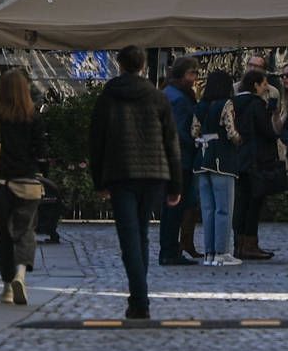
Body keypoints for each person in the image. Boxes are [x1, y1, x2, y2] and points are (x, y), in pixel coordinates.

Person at [88, 46, 178, 320]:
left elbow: (97, 140)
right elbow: (171, 142)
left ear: (120, 65)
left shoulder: (109, 96)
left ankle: (139, 300)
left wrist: (98, 180)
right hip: (153, 174)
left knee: (130, 237)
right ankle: (139, 297)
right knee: (141, 234)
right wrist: (176, 185)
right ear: (141, 66)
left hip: (121, 172)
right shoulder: (157, 97)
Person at [0, 67, 47, 306]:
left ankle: (7, 287)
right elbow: (41, 152)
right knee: (26, 231)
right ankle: (20, 273)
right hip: (27, 182)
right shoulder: (33, 117)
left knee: (3, 235)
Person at [230, 67, 286, 259]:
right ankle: (249, 244)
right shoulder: (256, 104)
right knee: (254, 203)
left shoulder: (234, 103)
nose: (266, 88)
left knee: (241, 202)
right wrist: (272, 115)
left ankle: (238, 243)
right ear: (255, 85)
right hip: (257, 159)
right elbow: (267, 132)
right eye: (263, 84)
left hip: (240, 159)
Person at [157, 63, 206, 265]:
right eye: (191, 73)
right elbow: (177, 131)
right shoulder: (177, 98)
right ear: (180, 75)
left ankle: (170, 249)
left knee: (171, 208)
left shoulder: (169, 93)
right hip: (179, 159)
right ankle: (169, 251)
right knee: (174, 207)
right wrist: (196, 142)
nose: (194, 77)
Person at [192, 68, 241, 265]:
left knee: (208, 209)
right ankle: (222, 252)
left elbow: (194, 131)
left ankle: (209, 253)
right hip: (222, 159)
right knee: (224, 208)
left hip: (202, 159)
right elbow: (231, 132)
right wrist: (240, 140)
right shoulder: (226, 104)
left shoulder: (200, 105)